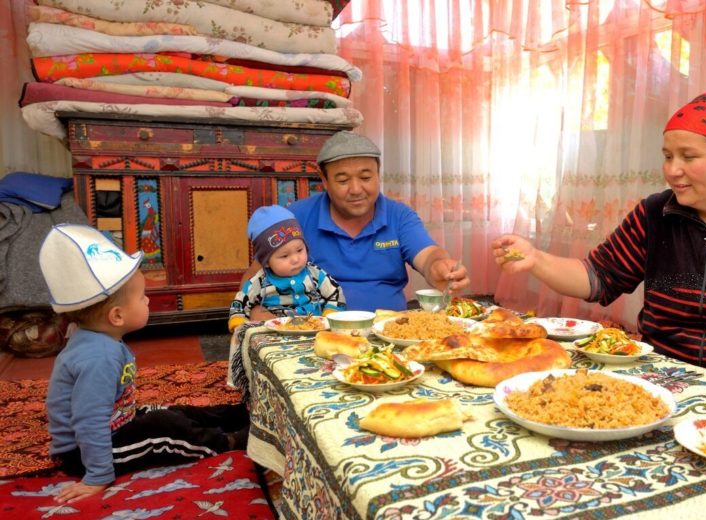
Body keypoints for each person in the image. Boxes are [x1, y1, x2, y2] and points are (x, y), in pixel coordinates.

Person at [492, 91, 706, 398]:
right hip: (660, 379)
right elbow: (597, 276)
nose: (673, 170)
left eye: (688, 157)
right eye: (668, 156)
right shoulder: (656, 211)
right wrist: (536, 259)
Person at [39, 224, 249, 504]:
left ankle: (237, 413)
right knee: (165, 427)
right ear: (116, 316)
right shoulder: (98, 358)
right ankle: (230, 441)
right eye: (141, 297)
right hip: (87, 452)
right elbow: (89, 422)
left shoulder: (100, 339)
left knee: (175, 411)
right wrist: (97, 475)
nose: (147, 300)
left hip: (116, 422)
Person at [243, 131, 469, 315]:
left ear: (378, 174)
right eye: (342, 180)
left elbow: (428, 255)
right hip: (313, 335)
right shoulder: (295, 217)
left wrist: (439, 267)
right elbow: (255, 276)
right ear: (325, 181)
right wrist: (256, 312)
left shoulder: (399, 216)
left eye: (365, 177)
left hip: (387, 332)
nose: (356, 189)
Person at [228, 205, 345, 331]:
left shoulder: (315, 274)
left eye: (300, 250)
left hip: (316, 329)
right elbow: (240, 303)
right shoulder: (259, 282)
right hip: (276, 334)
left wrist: (329, 316)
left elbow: (335, 292)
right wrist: (238, 322)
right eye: (284, 256)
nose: (295, 259)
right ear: (266, 262)